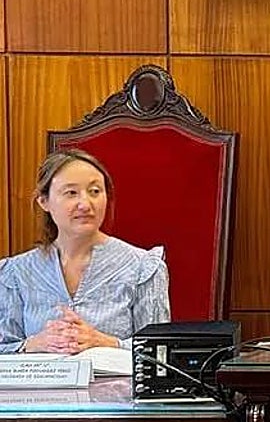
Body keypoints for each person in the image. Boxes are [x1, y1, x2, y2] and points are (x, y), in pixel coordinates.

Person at [0, 150, 170, 353]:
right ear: (44, 201)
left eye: (95, 191)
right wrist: (31, 344)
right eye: (71, 193)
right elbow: (4, 348)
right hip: (41, 384)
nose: (85, 204)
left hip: (117, 385)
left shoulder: (143, 267)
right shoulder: (14, 273)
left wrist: (107, 343)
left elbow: (160, 352)